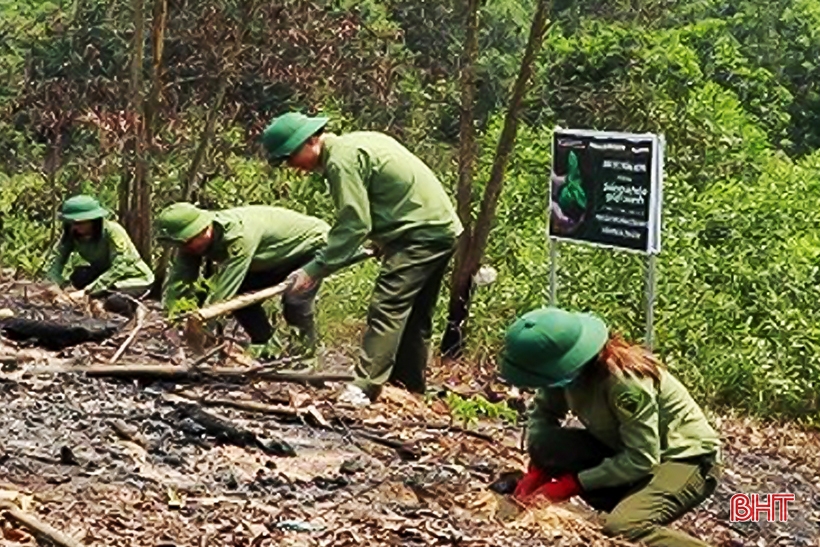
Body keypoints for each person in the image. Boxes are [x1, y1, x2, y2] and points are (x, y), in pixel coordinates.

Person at [261, 112, 463, 406]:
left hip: (420, 234)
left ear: (311, 140)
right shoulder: (357, 144)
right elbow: (388, 195)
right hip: (441, 228)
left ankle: (364, 386)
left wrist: (314, 269)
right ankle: (409, 385)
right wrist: (384, 237)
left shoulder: (340, 161)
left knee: (387, 306)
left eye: (291, 157)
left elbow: (354, 223)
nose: (294, 167)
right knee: (416, 314)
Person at [500, 306, 721, 547]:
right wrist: (539, 471)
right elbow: (543, 413)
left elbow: (642, 457)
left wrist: (571, 485)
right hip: (626, 451)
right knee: (548, 446)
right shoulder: (564, 374)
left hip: (685, 460)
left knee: (624, 527)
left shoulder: (624, 382)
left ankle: (639, 513)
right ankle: (632, 505)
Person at [155, 202, 330, 349]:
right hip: (273, 258)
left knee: (295, 300)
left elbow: (225, 291)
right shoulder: (191, 241)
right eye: (182, 245)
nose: (188, 249)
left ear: (205, 229)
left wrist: (201, 328)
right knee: (242, 298)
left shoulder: (239, 236)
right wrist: (173, 318)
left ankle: (305, 354)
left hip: (312, 248)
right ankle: (267, 346)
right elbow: (180, 280)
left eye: (189, 242)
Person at [45, 195, 154, 314]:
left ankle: (104, 304)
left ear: (93, 221)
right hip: (104, 273)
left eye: (80, 223)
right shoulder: (72, 233)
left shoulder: (113, 231)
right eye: (72, 223)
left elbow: (120, 265)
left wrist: (88, 291)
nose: (76, 227)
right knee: (80, 275)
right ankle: (94, 297)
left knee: (115, 302)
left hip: (132, 278)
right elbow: (57, 258)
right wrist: (54, 283)